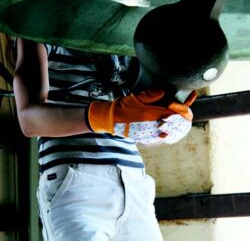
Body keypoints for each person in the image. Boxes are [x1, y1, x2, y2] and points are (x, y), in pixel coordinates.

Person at [13, 38, 196, 241]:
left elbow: (134, 127)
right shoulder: (40, 28)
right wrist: (107, 117)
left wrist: (165, 127)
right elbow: (29, 120)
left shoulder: (133, 40)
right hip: (77, 185)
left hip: (135, 183)